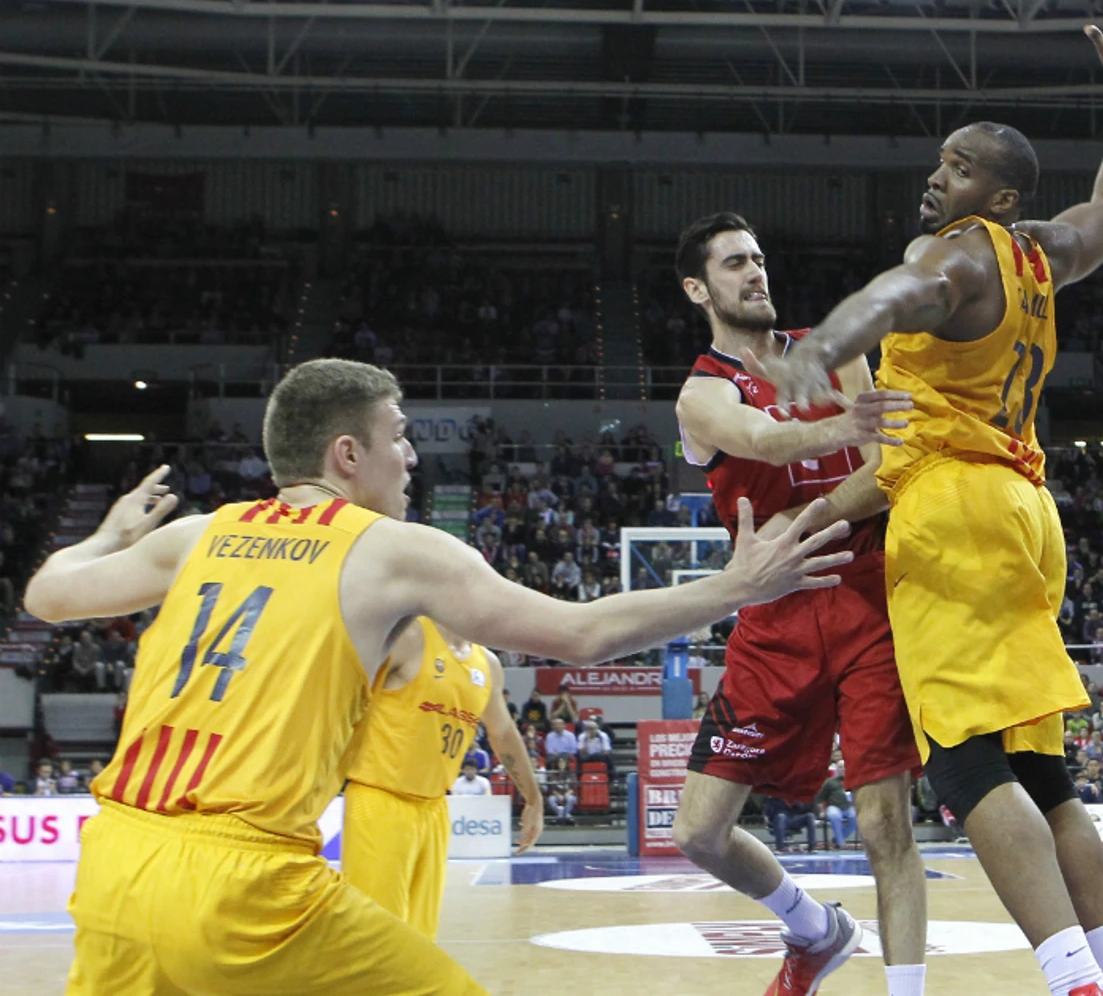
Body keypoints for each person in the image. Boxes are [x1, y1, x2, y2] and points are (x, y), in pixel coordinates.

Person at [26, 357, 850, 996]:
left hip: (115, 863)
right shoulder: (389, 549)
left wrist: (108, 533)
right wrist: (736, 586)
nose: (413, 454)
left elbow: (47, 595)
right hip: (244, 884)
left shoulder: (197, 535)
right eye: (399, 435)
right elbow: (581, 632)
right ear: (347, 454)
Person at [746, 0, 1103, 996]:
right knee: (1044, 774)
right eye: (941, 160)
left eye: (961, 167)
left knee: (966, 764)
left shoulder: (961, 260)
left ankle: (1074, 978)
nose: (938, 177)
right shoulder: (1041, 254)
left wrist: (825, 343)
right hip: (1024, 512)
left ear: (1000, 198)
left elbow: (901, 292)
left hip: (958, 516)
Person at [668, 211, 927, 996]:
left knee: (884, 821)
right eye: (734, 263)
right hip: (774, 613)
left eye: (758, 257)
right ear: (697, 289)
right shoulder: (701, 394)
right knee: (698, 831)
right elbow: (763, 438)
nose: (755, 272)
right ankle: (815, 928)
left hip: (866, 594)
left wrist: (804, 522)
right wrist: (844, 424)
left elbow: (885, 471)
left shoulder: (836, 351)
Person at [342, 615, 543, 938]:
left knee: (420, 937)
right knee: (374, 933)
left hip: (435, 807)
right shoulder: (407, 637)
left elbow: (503, 732)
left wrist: (533, 798)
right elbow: (340, 697)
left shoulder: (487, 663)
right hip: (380, 797)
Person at [816, 767, 858, 849]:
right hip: (833, 806)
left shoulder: (851, 781)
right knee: (835, 816)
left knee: (856, 817)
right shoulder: (829, 782)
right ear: (837, 769)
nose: (842, 770)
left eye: (844, 768)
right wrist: (822, 811)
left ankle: (836, 840)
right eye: (840, 767)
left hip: (849, 807)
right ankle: (841, 844)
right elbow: (819, 798)